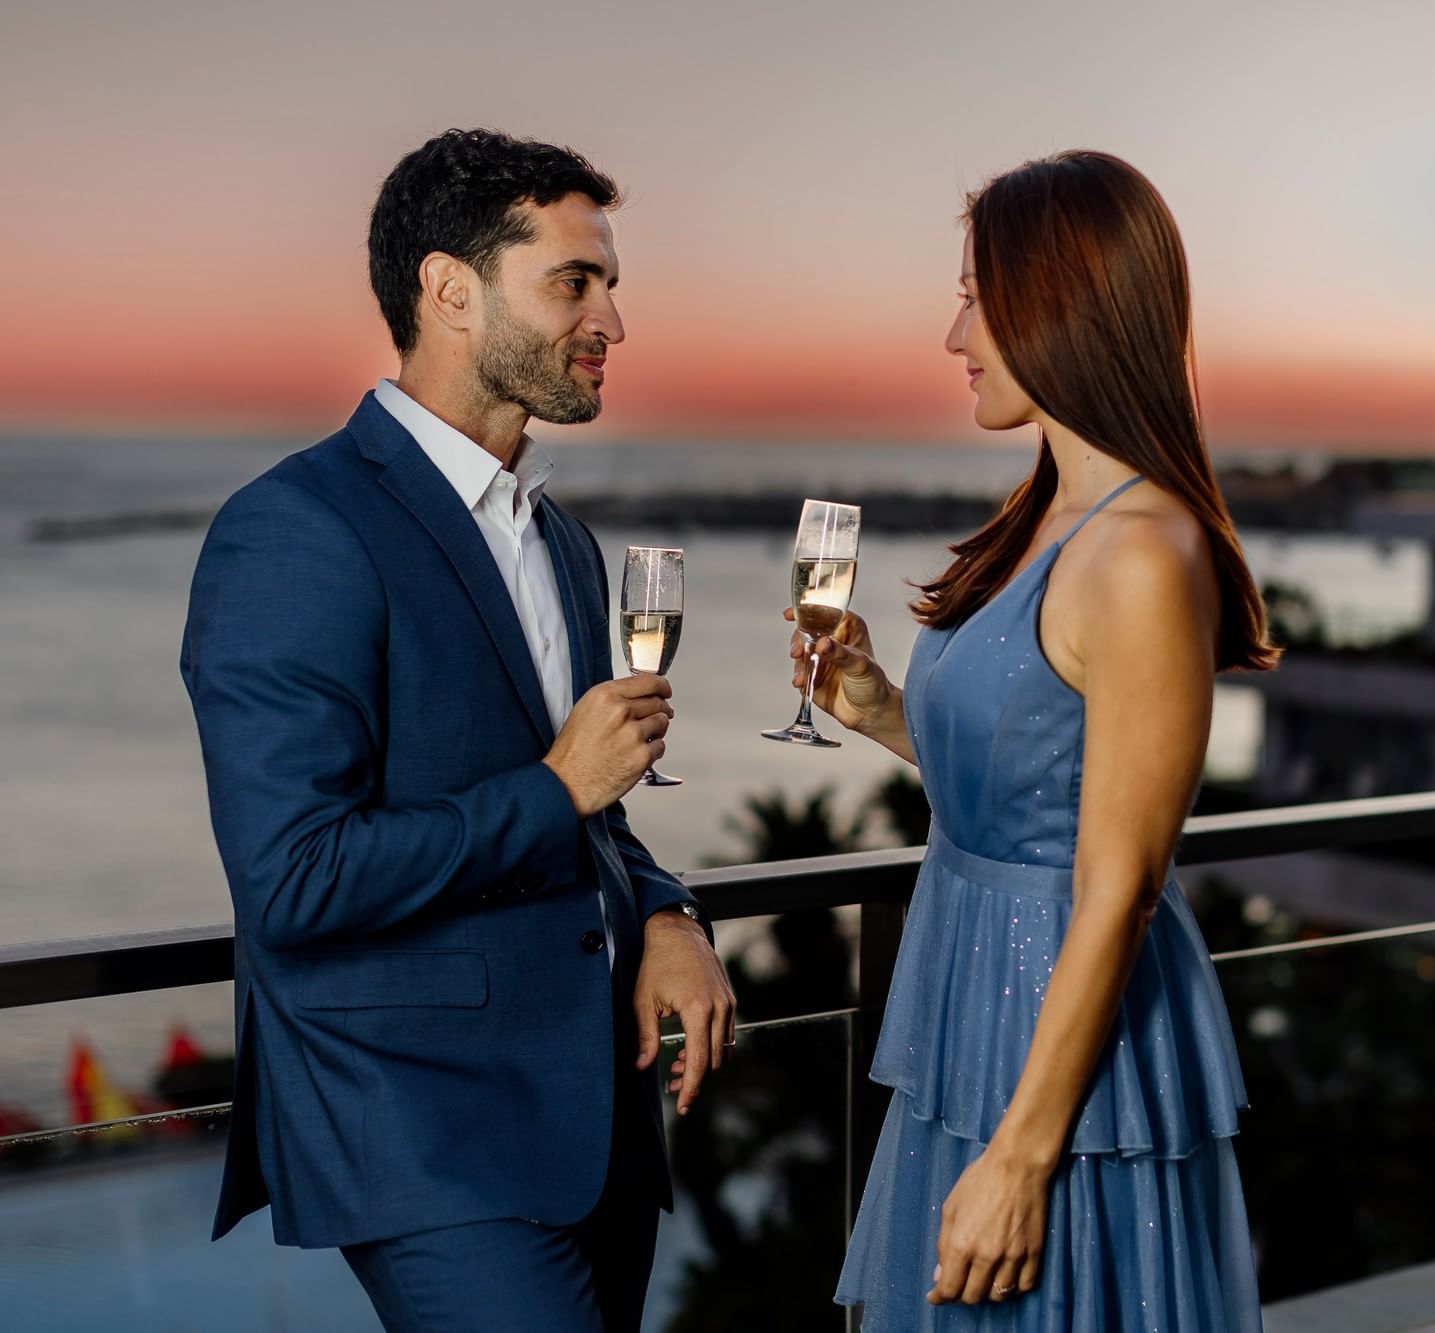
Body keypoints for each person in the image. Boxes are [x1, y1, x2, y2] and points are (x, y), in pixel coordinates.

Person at [181, 128, 735, 1333]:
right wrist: (556, 784)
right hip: (417, 1126)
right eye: (574, 281)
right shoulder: (296, 529)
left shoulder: (564, 541)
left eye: (612, 286)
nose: (611, 322)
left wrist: (667, 911)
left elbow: (597, 815)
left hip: (596, 1115)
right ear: (449, 290)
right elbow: (294, 878)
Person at [814, 151, 1277, 1329]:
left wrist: (1024, 1155)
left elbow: (1117, 882)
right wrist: (884, 716)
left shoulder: (1139, 553)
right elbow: (1045, 780)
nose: (953, 331)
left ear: (1056, 301)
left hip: (1061, 1041)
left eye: (976, 293)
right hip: (970, 993)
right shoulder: (1049, 520)